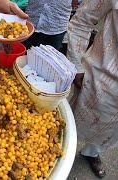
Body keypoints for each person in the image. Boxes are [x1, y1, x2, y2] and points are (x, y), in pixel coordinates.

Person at [67, 0, 118, 178]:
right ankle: (57, 154)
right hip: (96, 81)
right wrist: (76, 65)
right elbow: (82, 20)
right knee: (68, 126)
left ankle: (91, 153)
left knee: (111, 133)